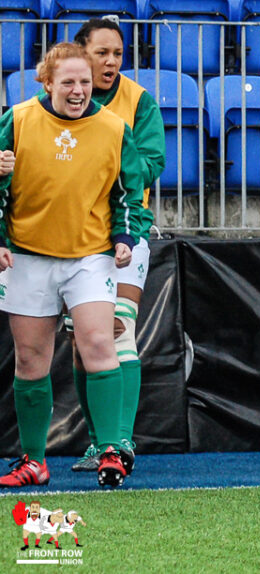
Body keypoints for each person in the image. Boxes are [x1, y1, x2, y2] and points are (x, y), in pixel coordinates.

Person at [0, 41, 144, 489]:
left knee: (100, 341)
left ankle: (111, 450)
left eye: (85, 81)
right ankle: (34, 461)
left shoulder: (113, 128)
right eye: (69, 82)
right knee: (30, 359)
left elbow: (128, 191)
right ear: (47, 82)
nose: (79, 90)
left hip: (89, 257)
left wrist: (124, 237)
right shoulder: (19, 121)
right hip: (27, 255)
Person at [68, 16, 165, 476]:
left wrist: (104, 163)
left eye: (118, 54)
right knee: (82, 345)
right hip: (72, 236)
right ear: (80, 53)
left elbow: (149, 164)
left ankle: (120, 444)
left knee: (118, 330)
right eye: (101, 52)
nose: (111, 62)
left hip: (127, 231)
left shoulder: (138, 102)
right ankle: (95, 442)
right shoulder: (56, 102)